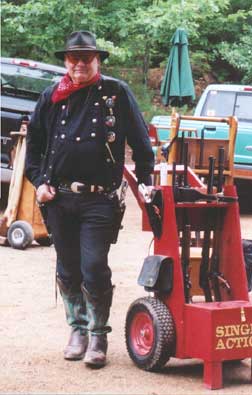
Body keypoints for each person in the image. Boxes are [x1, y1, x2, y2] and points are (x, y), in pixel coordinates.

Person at [25, 31, 154, 368]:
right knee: (68, 268)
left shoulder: (116, 93)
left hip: (100, 200)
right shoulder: (52, 96)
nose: (80, 63)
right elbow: (34, 149)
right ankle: (77, 330)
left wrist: (147, 183)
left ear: (98, 60)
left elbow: (142, 144)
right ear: (66, 61)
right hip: (59, 199)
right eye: (73, 58)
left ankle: (98, 334)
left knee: (94, 266)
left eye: (86, 57)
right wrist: (39, 183)